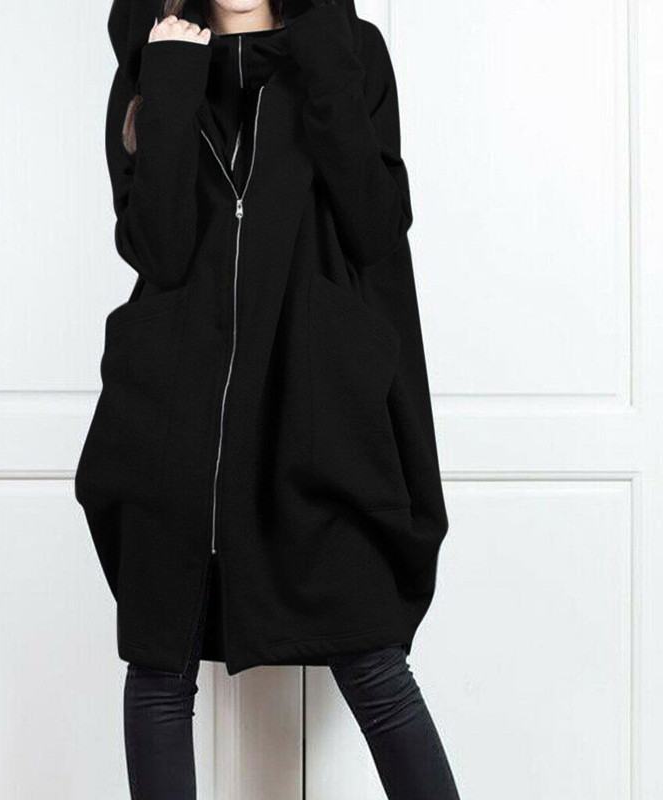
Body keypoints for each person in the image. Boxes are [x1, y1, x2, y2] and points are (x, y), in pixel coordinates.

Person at [75, 0, 460, 797]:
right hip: (172, 427)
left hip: (315, 424)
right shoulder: (155, 63)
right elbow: (158, 251)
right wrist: (170, 82)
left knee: (375, 665)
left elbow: (374, 224)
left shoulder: (349, 51)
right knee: (158, 672)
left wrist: (323, 60)